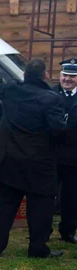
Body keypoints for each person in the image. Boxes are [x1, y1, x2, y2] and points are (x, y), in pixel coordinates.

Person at [0, 59, 66, 258]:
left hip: (10, 160)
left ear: (24, 75)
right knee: (41, 209)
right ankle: (37, 248)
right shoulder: (52, 99)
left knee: (3, 207)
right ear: (45, 75)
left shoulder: (12, 91)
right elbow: (57, 130)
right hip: (40, 164)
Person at [54, 58, 77, 244]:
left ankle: (68, 232)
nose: (67, 79)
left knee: (71, 196)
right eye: (65, 75)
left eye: (72, 76)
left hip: (73, 156)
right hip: (51, 155)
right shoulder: (50, 93)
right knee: (46, 195)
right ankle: (42, 231)